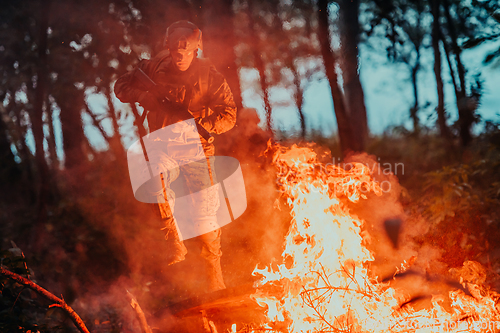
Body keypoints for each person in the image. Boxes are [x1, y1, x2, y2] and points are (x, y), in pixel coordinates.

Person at [114, 20, 237, 293]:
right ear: (168, 48)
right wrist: (144, 96)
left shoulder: (209, 76)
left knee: (205, 218)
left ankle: (215, 278)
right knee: (156, 183)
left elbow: (229, 114)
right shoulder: (153, 67)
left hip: (196, 148)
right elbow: (121, 85)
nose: (180, 55)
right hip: (162, 145)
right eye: (175, 51)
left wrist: (203, 127)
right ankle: (173, 242)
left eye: (186, 50)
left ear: (196, 48)